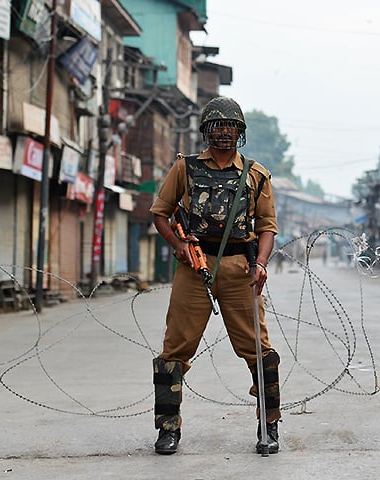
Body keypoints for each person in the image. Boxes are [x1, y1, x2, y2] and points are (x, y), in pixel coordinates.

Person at [149, 97, 281, 455]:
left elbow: (267, 227)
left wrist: (262, 264)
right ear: (206, 130)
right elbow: (161, 212)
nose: (224, 132)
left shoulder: (255, 174)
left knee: (259, 350)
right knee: (174, 349)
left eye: (230, 126)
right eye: (217, 125)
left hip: (241, 270)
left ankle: (269, 426)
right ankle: (167, 428)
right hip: (195, 267)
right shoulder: (186, 168)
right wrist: (177, 245)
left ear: (240, 133)